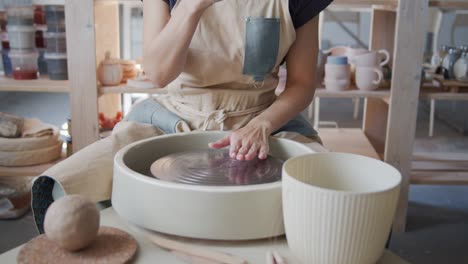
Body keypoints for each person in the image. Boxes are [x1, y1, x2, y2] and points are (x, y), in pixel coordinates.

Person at [30, 0, 332, 233]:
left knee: (331, 192)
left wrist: (261, 125)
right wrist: (191, 7)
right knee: (61, 188)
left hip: (260, 120)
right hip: (172, 118)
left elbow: (302, 84)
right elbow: (159, 73)